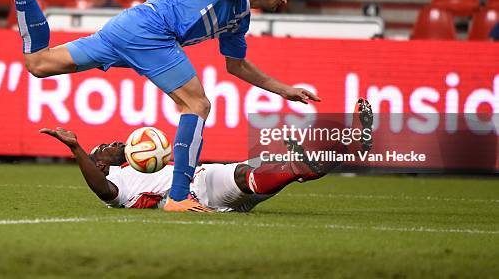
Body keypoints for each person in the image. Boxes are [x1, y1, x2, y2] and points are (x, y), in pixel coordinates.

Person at [0, 0, 320, 212]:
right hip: (151, 32)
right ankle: (178, 195)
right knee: (197, 105)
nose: (285, 0)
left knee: (38, 63)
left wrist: (283, 90)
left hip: (127, 28)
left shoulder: (240, 18)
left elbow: (236, 65)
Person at [40, 99, 373, 211]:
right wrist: (76, 147)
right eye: (109, 147)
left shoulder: (134, 170)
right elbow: (102, 190)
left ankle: (348, 148)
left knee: (280, 166)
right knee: (252, 172)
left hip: (214, 197)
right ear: (100, 163)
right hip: (200, 190)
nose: (117, 144)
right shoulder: (119, 183)